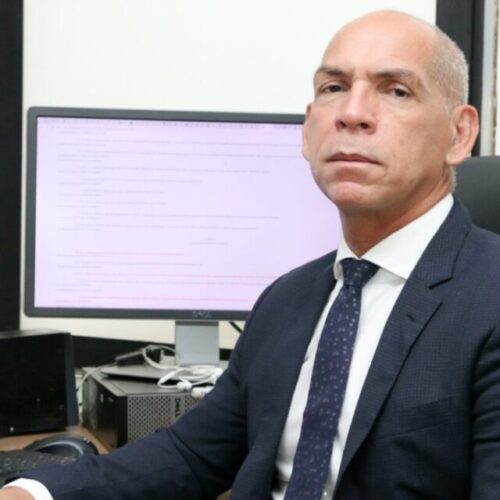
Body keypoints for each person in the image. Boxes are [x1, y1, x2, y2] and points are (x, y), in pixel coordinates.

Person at [3, 8, 499, 499]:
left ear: (459, 133)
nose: (352, 113)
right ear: (308, 131)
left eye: (396, 90)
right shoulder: (288, 299)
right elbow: (191, 456)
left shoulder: (489, 298)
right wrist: (32, 492)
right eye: (333, 87)